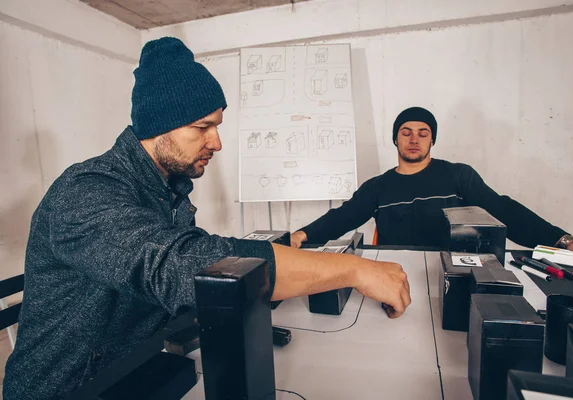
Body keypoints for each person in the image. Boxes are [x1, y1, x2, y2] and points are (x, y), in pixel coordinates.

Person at [3, 37, 411, 400]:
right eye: (203, 127)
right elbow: (180, 266)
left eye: (216, 126)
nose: (216, 142)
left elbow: (198, 263)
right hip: (70, 388)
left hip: (137, 370)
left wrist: (283, 273)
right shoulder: (85, 192)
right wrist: (353, 270)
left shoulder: (168, 187)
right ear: (157, 126)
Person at [291, 107, 573, 261]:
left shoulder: (458, 176)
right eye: (406, 132)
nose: (414, 139)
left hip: (450, 270)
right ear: (395, 139)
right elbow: (343, 217)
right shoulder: (377, 187)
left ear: (432, 140)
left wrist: (567, 242)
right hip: (393, 272)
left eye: (423, 133)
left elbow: (505, 211)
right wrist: (302, 235)